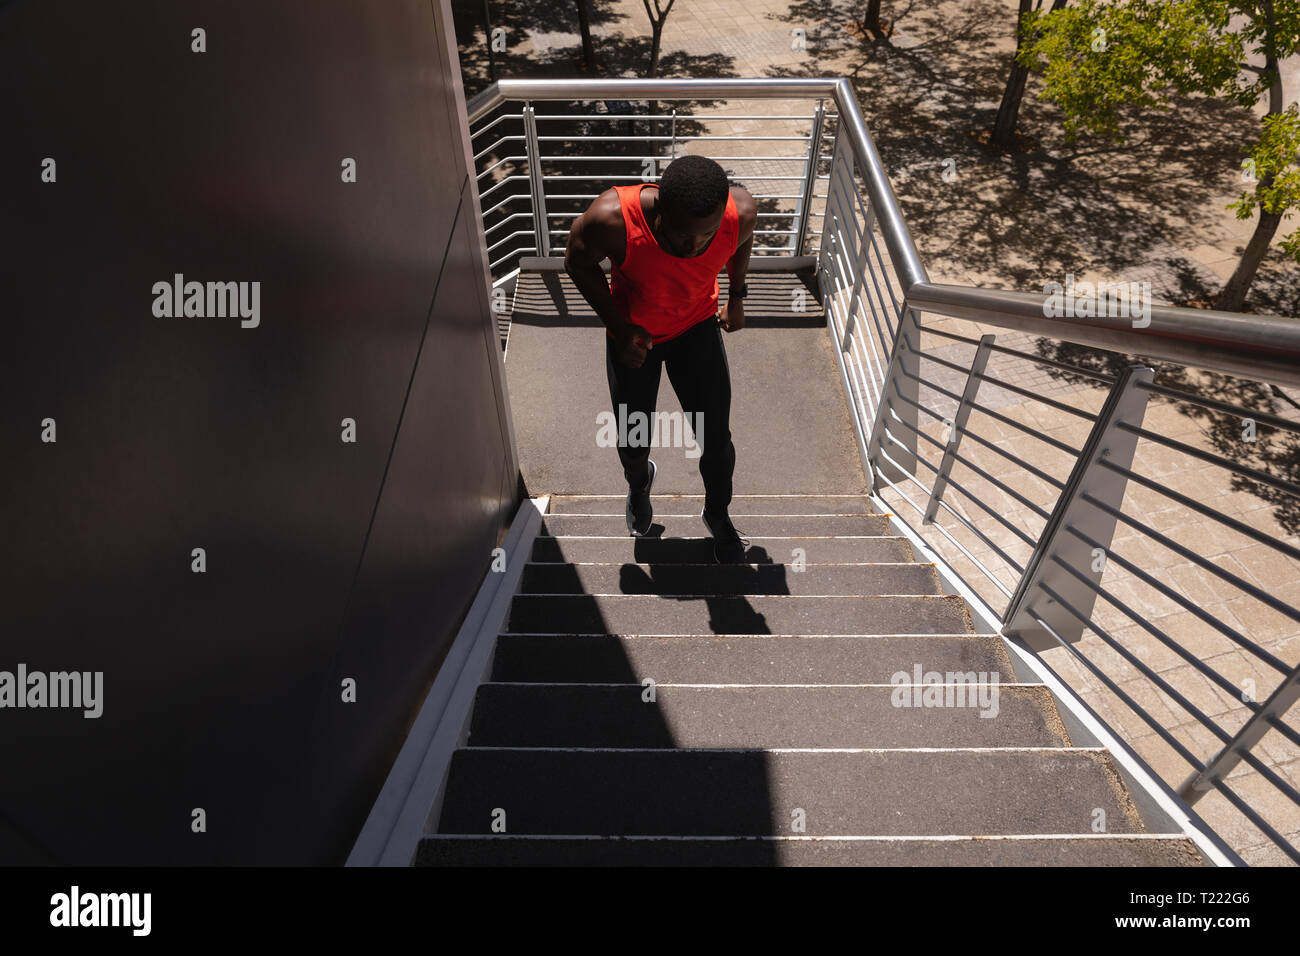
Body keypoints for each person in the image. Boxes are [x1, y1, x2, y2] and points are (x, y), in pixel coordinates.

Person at [563, 154, 757, 563]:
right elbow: (577, 262)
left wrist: (736, 298)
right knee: (633, 440)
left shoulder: (739, 213)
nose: (693, 247)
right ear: (660, 210)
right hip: (635, 338)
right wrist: (618, 326)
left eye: (705, 236)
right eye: (682, 236)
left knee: (717, 440)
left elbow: (740, 241)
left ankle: (717, 512)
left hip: (697, 328)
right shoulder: (611, 218)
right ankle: (639, 483)